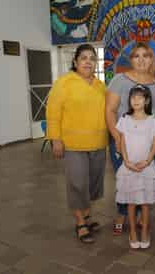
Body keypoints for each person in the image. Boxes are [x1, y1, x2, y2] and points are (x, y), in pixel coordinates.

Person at [46, 44, 107, 243]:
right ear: (75, 62)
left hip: (98, 143)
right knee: (77, 183)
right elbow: (53, 113)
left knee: (92, 184)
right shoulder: (64, 83)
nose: (88, 61)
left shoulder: (100, 86)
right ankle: (80, 223)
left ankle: (88, 217)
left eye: (92, 58)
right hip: (73, 144)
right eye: (83, 58)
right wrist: (55, 139)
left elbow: (108, 113)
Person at [106, 42, 155, 235]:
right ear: (130, 59)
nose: (141, 60)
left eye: (146, 55)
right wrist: (116, 136)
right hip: (124, 141)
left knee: (144, 178)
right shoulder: (119, 80)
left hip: (150, 143)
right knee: (126, 178)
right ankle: (122, 213)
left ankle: (141, 213)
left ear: (151, 60)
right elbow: (110, 110)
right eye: (136, 56)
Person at [115, 85, 155, 249]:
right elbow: (121, 142)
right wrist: (126, 161)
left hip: (146, 167)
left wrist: (147, 161)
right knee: (131, 203)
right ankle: (133, 232)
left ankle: (144, 232)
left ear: (147, 100)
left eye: (140, 97)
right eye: (133, 97)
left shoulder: (152, 120)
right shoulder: (124, 119)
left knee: (145, 203)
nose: (136, 100)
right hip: (128, 167)